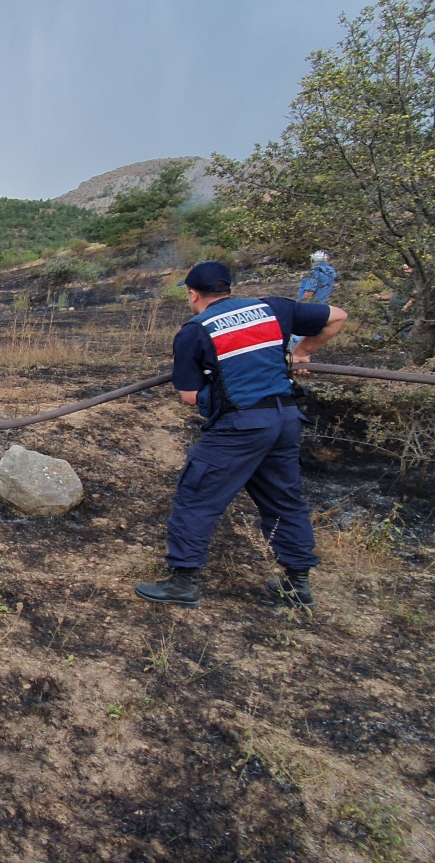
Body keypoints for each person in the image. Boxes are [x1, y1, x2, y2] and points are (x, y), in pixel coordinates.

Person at [135, 261, 347, 610]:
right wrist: (302, 352)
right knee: (283, 500)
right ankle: (297, 583)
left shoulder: (194, 331)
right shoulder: (272, 307)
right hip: (285, 418)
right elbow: (337, 315)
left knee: (197, 496)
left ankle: (183, 581)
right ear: (228, 288)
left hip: (241, 427)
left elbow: (189, 396)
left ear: (193, 294)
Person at [289, 251, 337, 351]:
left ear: (313, 260)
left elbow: (309, 293)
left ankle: (296, 360)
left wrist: (299, 304)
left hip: (309, 306)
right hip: (322, 305)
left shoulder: (315, 272)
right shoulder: (331, 272)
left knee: (298, 336)